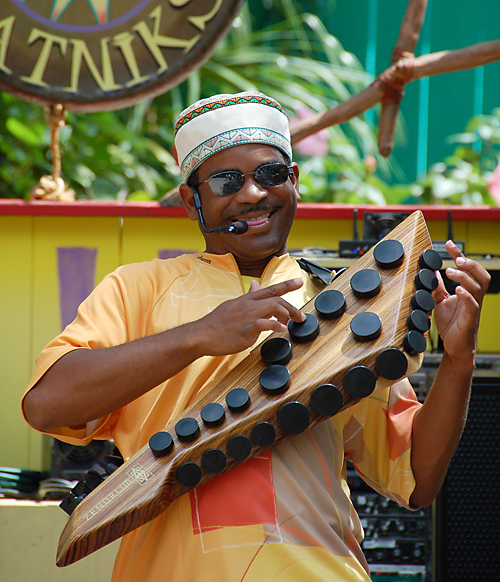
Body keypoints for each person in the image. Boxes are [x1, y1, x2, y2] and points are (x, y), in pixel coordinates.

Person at [22, 91, 490, 582]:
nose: (251, 194)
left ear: (294, 183)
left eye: (269, 174)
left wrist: (459, 360)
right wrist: (199, 335)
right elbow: (48, 405)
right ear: (191, 201)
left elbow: (416, 476)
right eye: (226, 181)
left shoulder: (346, 307)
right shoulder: (139, 287)